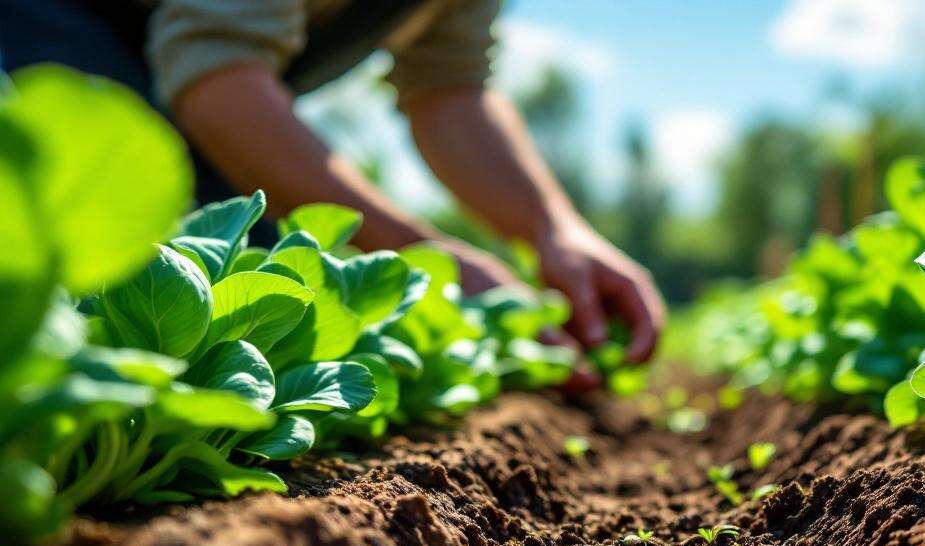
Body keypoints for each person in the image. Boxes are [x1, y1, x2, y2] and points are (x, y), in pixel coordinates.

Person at [0, 0, 664, 387]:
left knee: (244, 306)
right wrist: (431, 260)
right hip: (52, 27)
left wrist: (552, 226)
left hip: (178, 71)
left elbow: (448, 87)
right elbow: (217, 75)